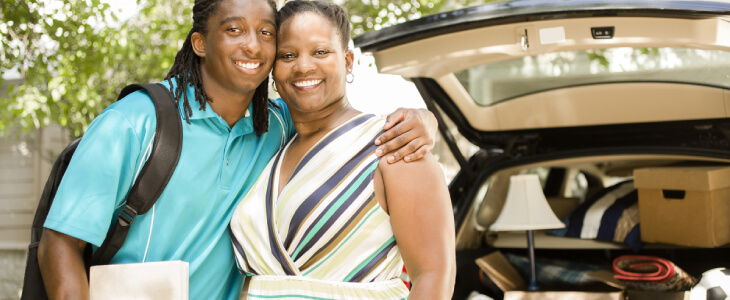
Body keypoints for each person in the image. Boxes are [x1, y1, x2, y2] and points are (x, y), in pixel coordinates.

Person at [36, 0, 437, 299]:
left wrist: (424, 120)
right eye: (233, 30)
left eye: (266, 33)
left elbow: (332, 117)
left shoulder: (279, 127)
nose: (254, 46)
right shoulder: (133, 123)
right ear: (200, 42)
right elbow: (60, 245)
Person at [228, 1, 456, 299]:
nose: (303, 66)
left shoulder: (393, 147)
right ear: (273, 68)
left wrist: (427, 118)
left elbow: (434, 277)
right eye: (288, 55)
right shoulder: (270, 142)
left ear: (348, 61)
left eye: (320, 52)